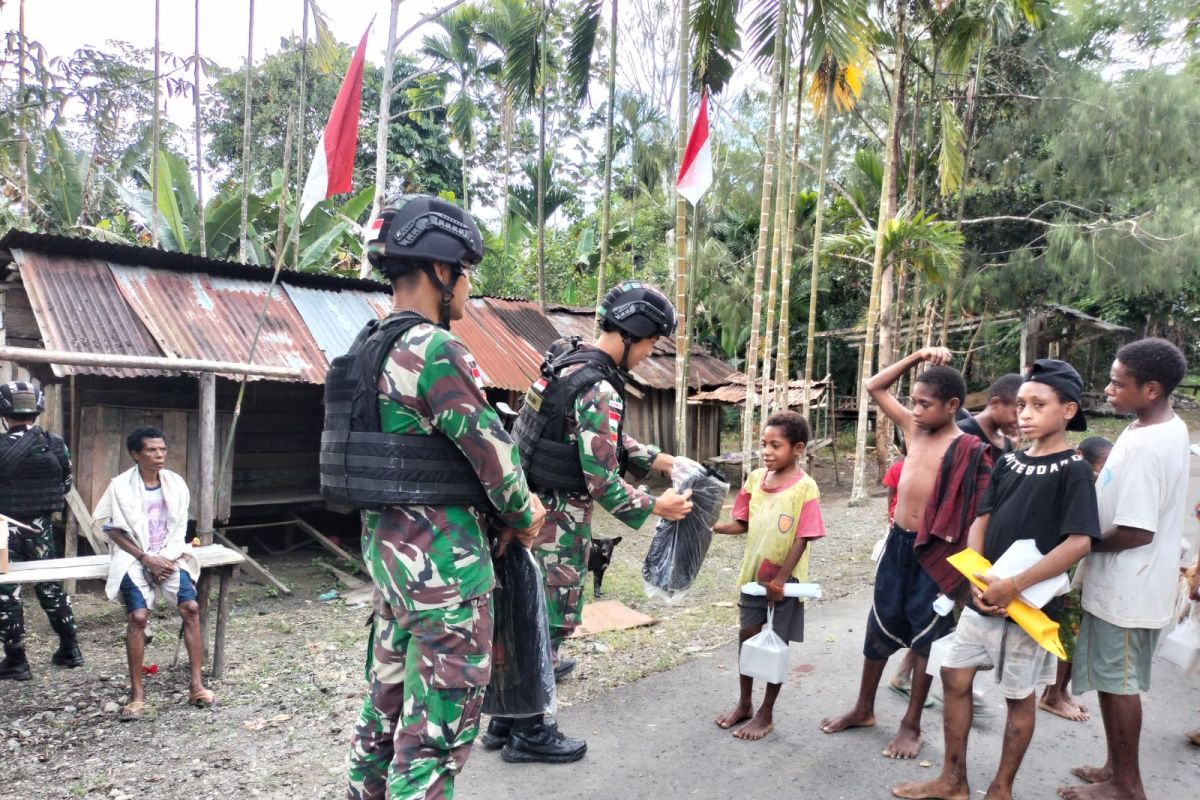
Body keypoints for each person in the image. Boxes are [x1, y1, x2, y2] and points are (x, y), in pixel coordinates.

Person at [340, 195, 546, 800]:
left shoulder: (365, 349)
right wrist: (526, 518)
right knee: (434, 740)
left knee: (381, 723)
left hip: (391, 568)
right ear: (441, 270)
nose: (467, 288)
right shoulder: (433, 351)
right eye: (465, 273)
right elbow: (495, 458)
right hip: (445, 577)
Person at [491, 281, 694, 763]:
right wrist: (655, 505)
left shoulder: (569, 361)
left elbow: (601, 442)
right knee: (550, 619)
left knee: (523, 614)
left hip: (527, 506)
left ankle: (504, 719)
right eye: (649, 343)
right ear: (633, 333)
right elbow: (600, 477)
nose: (648, 353)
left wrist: (664, 460)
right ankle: (531, 733)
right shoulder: (600, 387)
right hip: (557, 518)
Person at [894, 359, 1101, 800]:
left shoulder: (1075, 469)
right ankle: (953, 781)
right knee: (954, 676)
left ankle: (1000, 789)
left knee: (1018, 696)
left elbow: (1078, 542)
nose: (1025, 413)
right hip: (984, 595)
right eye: (1022, 404)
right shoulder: (1008, 462)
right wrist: (977, 576)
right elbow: (981, 521)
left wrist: (1015, 585)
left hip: (1029, 608)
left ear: (1068, 410)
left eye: (1038, 404)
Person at [820, 347, 983, 759]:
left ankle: (911, 724)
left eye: (926, 404)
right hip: (898, 543)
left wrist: (968, 576)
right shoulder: (914, 429)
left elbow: (979, 514)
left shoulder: (969, 449)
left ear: (953, 406)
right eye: (914, 402)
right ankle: (864, 707)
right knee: (880, 622)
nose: (917, 410)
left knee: (927, 635)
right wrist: (915, 358)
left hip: (937, 552)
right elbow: (874, 386)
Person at [1060, 338, 1190, 800]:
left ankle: (1128, 785)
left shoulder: (1149, 446)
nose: (1109, 390)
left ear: (1151, 388)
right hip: (1120, 588)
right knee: (1110, 681)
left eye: (1118, 383)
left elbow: (1138, 532)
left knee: (1120, 686)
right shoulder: (1151, 428)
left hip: (1130, 593)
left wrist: (1081, 546)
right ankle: (1114, 767)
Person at [712, 411, 825, 741]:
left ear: (798, 448)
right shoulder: (755, 480)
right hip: (753, 579)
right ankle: (745, 703)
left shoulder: (806, 487)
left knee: (776, 645)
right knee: (747, 640)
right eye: (764, 444)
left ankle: (766, 713)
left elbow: (804, 536)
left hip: (784, 585)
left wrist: (781, 581)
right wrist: (718, 527)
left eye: (776, 445)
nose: (767, 451)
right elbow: (742, 523)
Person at [93, 426, 211, 721]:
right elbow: (111, 528)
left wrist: (165, 559)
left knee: (191, 608)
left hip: (169, 554)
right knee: (138, 617)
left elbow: (180, 528)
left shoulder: (175, 483)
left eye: (162, 450)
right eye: (151, 450)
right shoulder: (120, 486)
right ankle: (137, 694)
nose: (159, 455)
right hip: (134, 555)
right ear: (135, 454)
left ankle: (196, 685)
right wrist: (145, 558)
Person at [0, 381, 82, 680]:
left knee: (5, 591)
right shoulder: (55, 443)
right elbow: (66, 485)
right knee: (50, 587)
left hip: (1, 530)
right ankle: (71, 649)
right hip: (41, 528)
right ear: (37, 409)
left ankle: (16, 661)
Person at [1039, 435, 1112, 723]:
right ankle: (1051, 695)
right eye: (1101, 467)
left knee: (1077, 632)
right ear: (1081, 457)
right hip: (1067, 568)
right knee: (1069, 632)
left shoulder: (1092, 482)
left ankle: (1061, 691)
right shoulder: (1071, 481)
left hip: (1081, 568)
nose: (1104, 474)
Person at [957, 373, 1023, 461]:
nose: (1020, 423)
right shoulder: (960, 433)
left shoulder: (1007, 444)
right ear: (995, 403)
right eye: (1015, 415)